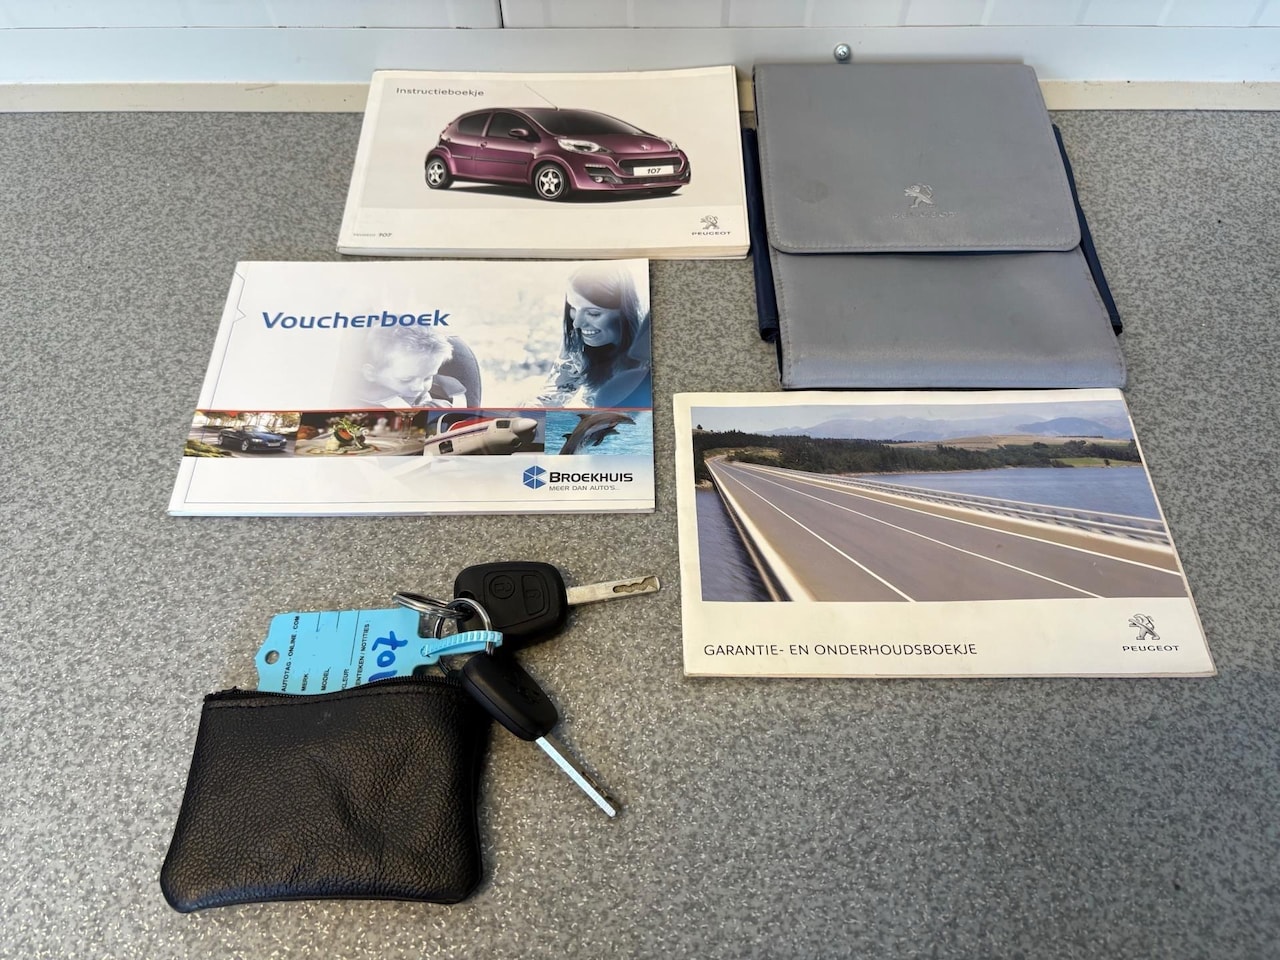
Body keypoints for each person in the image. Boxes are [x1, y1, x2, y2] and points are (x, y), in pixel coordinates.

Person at [530, 263, 651, 408]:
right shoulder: (577, 340)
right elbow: (554, 394)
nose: (577, 323)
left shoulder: (651, 347)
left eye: (593, 313)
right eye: (573, 308)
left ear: (625, 312)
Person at [355, 325, 470, 408]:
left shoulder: (448, 396)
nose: (419, 388)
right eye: (406, 379)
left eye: (427, 378)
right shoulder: (359, 408)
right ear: (371, 374)